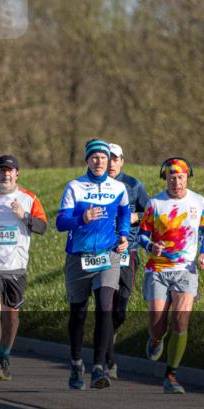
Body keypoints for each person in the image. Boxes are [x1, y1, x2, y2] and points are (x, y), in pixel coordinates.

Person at [56, 139, 130, 390]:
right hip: (79, 256)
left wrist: (123, 235)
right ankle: (76, 362)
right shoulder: (75, 187)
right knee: (78, 313)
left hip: (108, 256)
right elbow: (61, 222)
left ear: (109, 161)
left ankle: (99, 367)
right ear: (87, 160)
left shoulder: (118, 188)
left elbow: (124, 212)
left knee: (105, 307)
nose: (99, 161)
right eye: (94, 157)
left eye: (103, 157)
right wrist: (82, 218)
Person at [137, 157, 204, 394]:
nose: (176, 182)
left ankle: (171, 375)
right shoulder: (155, 203)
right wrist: (151, 246)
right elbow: (141, 235)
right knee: (157, 324)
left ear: (187, 177)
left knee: (180, 321)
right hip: (158, 270)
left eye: (180, 177)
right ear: (165, 178)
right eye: (171, 177)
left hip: (185, 270)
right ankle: (156, 339)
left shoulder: (199, 202)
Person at [0, 155, 47, 381]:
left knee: (12, 316)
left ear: (17, 174)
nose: (6, 174)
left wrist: (24, 216)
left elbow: (42, 227)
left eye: (10, 171)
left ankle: (4, 358)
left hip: (16, 266)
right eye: (2, 170)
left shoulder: (29, 198)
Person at [104, 143, 150, 377]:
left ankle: (108, 334)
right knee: (107, 304)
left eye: (115, 159)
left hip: (127, 252)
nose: (111, 164)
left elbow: (151, 214)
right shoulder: (94, 186)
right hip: (102, 253)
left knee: (120, 309)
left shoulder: (133, 185)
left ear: (122, 161)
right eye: (107, 159)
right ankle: (109, 361)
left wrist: (137, 216)